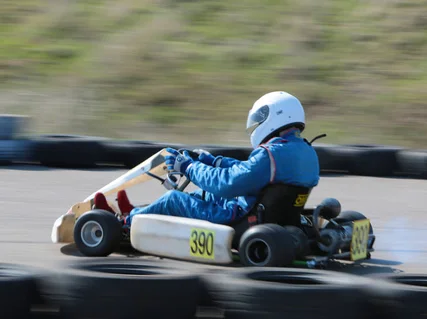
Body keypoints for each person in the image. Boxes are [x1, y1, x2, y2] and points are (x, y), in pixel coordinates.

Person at [92, 91, 320, 227]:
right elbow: (248, 172)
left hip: (242, 217)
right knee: (204, 194)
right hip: (270, 213)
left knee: (174, 199)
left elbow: (228, 184)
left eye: (260, 119)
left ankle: (122, 223)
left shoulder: (271, 153)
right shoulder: (303, 150)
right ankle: (136, 213)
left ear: (275, 117)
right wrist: (214, 161)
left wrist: (189, 167)